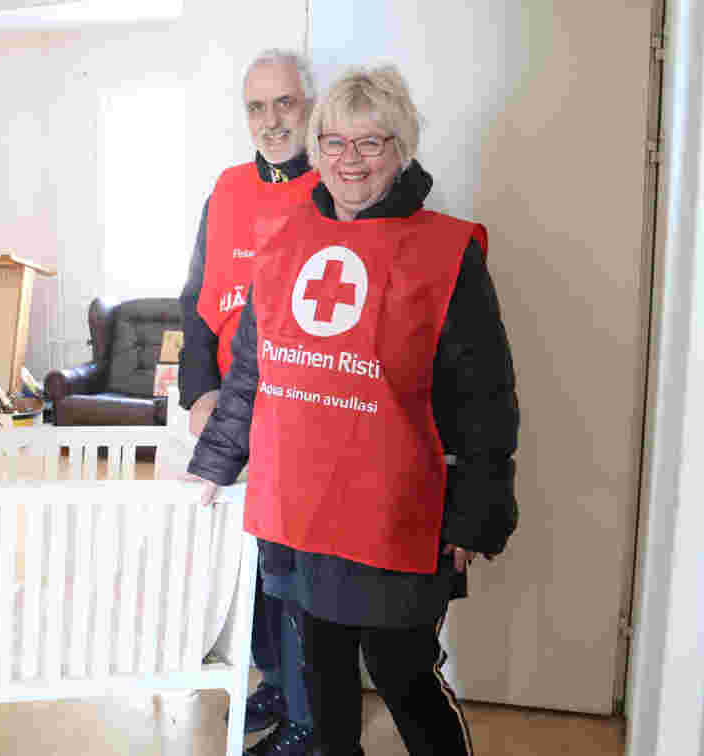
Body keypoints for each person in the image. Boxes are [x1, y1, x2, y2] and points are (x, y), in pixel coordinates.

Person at [188, 64, 520, 756]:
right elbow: (250, 372)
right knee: (323, 678)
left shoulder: (446, 252)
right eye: (334, 143)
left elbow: (484, 396)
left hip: (398, 510)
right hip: (302, 507)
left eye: (372, 144)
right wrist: (213, 467)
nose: (351, 162)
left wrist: (477, 510)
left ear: (403, 149)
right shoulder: (283, 247)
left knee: (402, 673)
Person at [178, 49, 320, 754]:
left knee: (293, 566)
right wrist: (199, 391)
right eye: (257, 108)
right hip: (236, 407)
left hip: (303, 409)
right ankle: (277, 679)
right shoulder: (227, 190)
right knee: (261, 562)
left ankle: (306, 713)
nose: (272, 121)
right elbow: (197, 302)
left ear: (311, 104)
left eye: (286, 104)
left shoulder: (337, 187)